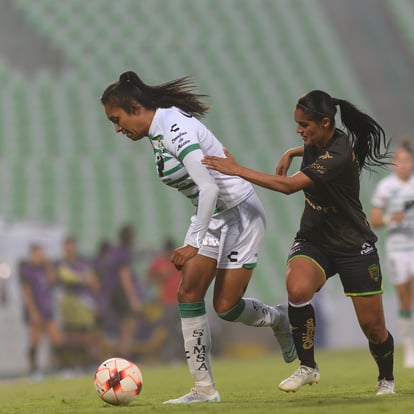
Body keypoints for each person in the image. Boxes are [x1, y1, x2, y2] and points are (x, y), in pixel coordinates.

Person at [100, 71, 296, 404]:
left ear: (134, 106)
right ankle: (204, 389)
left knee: (226, 307)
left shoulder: (174, 128)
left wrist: (193, 240)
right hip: (214, 217)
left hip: (240, 215)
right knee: (188, 293)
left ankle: (278, 318)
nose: (117, 128)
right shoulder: (157, 132)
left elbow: (208, 187)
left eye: (116, 120)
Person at [202, 89, 395, 395]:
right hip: (314, 238)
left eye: (304, 125)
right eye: (298, 124)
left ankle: (386, 378)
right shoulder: (317, 141)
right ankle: (308, 366)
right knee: (297, 288)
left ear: (326, 122)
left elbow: (290, 186)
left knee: (373, 328)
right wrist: (293, 152)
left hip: (352, 243)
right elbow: (309, 151)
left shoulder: (339, 153)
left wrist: (237, 169)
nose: (299, 129)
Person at [370, 139, 414, 368]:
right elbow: (374, 220)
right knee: (405, 299)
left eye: (407, 160)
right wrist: (390, 218)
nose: (403, 165)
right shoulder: (386, 187)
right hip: (397, 249)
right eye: (399, 161)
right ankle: (409, 347)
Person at [19, 243, 64, 378]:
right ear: (32, 255)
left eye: (42, 254)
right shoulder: (27, 271)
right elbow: (26, 293)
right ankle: (33, 370)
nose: (40, 257)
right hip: (35, 309)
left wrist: (48, 265)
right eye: (38, 254)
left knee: (57, 339)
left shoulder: (44, 269)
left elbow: (52, 280)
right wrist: (33, 312)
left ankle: (61, 368)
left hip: (47, 308)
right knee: (35, 340)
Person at [56, 236, 100, 371]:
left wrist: (92, 285)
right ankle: (71, 364)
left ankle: (86, 362)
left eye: (72, 245)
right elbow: (65, 276)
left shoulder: (82, 262)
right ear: (64, 247)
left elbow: (92, 279)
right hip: (70, 299)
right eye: (67, 245)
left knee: (86, 332)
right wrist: (81, 278)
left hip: (84, 299)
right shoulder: (61, 262)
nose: (70, 248)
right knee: (71, 333)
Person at [102, 224, 143, 359]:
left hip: (113, 293)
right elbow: (124, 276)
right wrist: (133, 299)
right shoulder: (123, 253)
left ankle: (122, 353)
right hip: (121, 293)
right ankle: (124, 356)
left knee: (125, 327)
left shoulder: (114, 251)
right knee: (128, 326)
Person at [147, 237, 182, 363]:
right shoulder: (159, 262)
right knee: (171, 331)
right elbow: (148, 278)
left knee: (185, 331)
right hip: (168, 303)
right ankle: (173, 357)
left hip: (183, 301)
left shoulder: (180, 261)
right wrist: (161, 276)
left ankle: (187, 356)